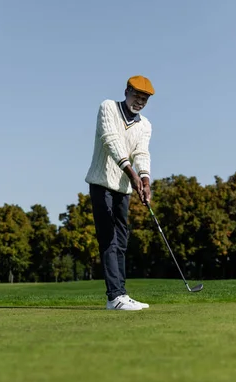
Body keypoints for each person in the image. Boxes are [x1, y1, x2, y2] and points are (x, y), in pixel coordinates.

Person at [85, 75, 155, 311]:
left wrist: (145, 180)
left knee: (122, 242)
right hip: (101, 183)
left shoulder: (145, 125)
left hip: (123, 189)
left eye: (144, 100)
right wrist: (132, 174)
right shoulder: (108, 108)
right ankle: (114, 296)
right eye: (137, 96)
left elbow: (142, 153)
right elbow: (111, 141)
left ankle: (121, 294)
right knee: (108, 240)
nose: (140, 102)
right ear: (127, 91)